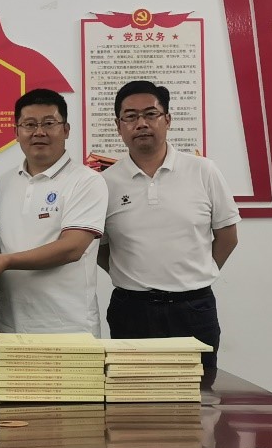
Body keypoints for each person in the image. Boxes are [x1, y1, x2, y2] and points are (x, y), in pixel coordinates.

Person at [98, 80, 240, 370]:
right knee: (132, 392)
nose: (141, 123)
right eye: (130, 116)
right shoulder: (104, 183)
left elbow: (227, 236)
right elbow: (100, 248)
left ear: (168, 120)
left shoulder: (203, 171)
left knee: (199, 390)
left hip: (193, 307)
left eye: (151, 114)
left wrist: (197, 273)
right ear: (118, 126)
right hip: (131, 309)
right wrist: (130, 275)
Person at [0, 88, 107, 334]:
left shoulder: (86, 181)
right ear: (16, 132)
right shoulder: (2, 184)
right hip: (10, 325)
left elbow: (72, 248)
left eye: (49, 123)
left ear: (66, 130)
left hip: (70, 328)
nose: (39, 132)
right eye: (29, 124)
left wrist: (7, 261)